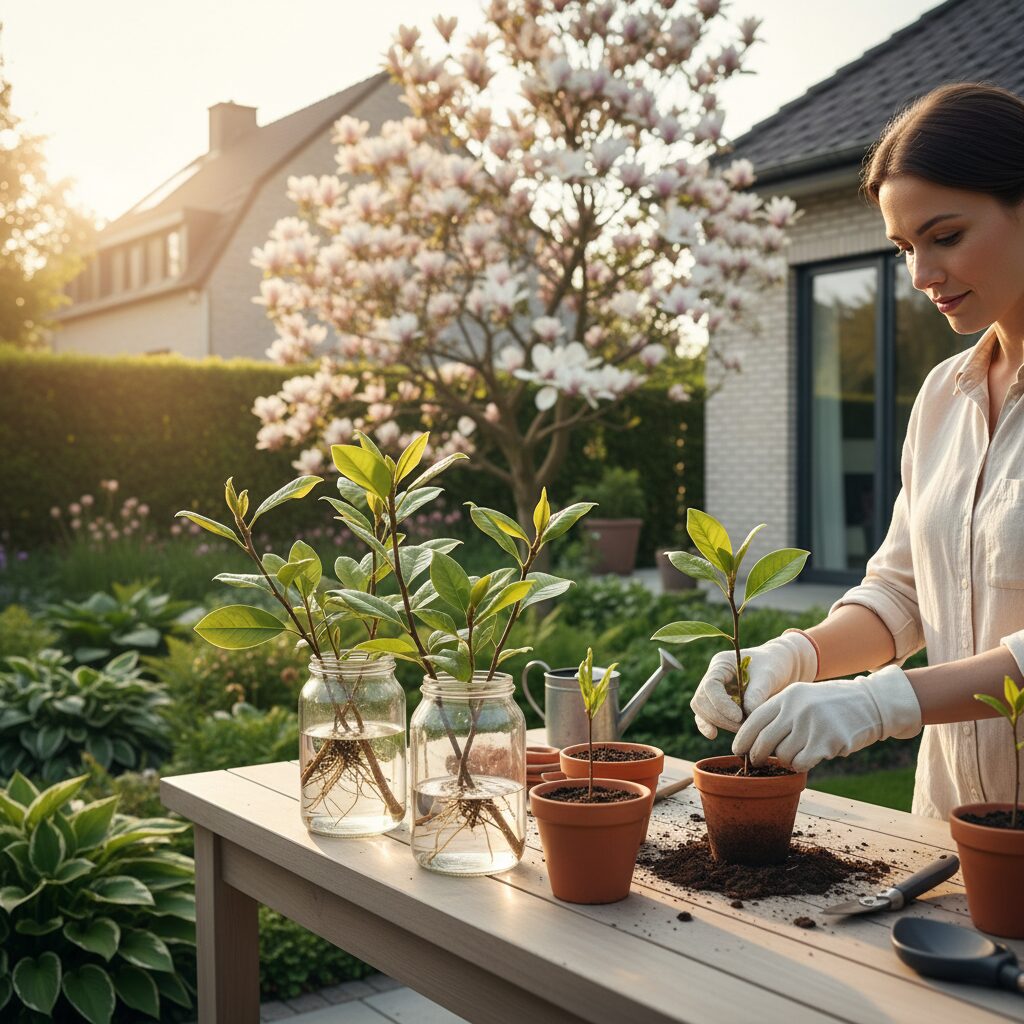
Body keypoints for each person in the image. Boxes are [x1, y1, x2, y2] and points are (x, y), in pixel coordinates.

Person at [690, 82, 1024, 821]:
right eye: (905, 248)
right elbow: (902, 595)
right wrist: (794, 655)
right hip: (948, 835)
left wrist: (883, 702)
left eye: (946, 236)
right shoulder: (945, 396)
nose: (920, 276)